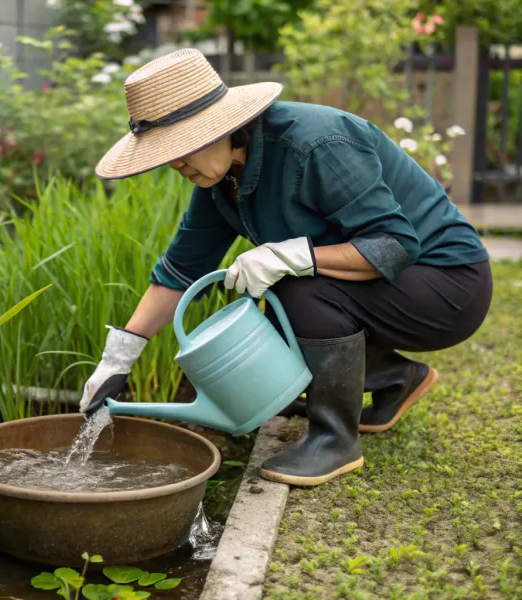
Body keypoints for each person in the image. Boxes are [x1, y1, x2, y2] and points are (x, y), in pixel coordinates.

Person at [79, 49, 491, 487]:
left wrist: (293, 256)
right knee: (269, 298)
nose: (176, 164)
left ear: (219, 126)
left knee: (294, 291)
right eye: (166, 155)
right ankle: (395, 378)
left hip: (447, 285)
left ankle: (334, 441)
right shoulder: (222, 180)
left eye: (182, 148)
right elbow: (181, 271)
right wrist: (117, 359)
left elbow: (393, 245)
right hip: (393, 289)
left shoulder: (315, 143)